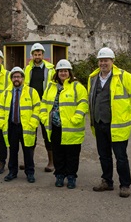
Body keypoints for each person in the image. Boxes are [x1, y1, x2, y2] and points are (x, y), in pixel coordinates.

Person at [87, 47, 131, 197]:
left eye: (106, 60)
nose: (103, 63)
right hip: (99, 123)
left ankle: (125, 185)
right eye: (101, 60)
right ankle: (107, 181)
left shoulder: (125, 77)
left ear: (112, 61)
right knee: (103, 155)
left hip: (117, 125)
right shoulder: (93, 78)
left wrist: (124, 114)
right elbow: (91, 99)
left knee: (121, 157)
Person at [40, 59, 88, 189]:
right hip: (55, 126)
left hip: (72, 127)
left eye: (65, 71)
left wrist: (77, 117)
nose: (63, 73)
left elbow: (83, 103)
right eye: (61, 71)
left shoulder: (77, 86)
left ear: (69, 72)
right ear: (57, 72)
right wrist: (44, 118)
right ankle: (59, 175)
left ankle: (71, 177)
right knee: (58, 153)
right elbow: (43, 103)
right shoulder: (51, 86)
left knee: (72, 154)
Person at [0, 67, 41, 183]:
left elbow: (38, 108)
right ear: (11, 78)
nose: (16, 79)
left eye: (18, 77)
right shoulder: (6, 93)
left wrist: (33, 123)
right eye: (14, 77)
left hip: (26, 126)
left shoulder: (32, 92)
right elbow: (0, 109)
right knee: (13, 150)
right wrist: (1, 123)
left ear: (23, 78)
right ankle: (12, 172)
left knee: (28, 151)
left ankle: (30, 173)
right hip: (11, 126)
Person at [24, 43, 55, 172]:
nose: (37, 56)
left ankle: (51, 162)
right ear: (32, 56)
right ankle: (29, 162)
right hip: (31, 106)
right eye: (35, 54)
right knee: (30, 134)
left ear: (43, 55)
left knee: (47, 134)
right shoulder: (27, 69)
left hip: (45, 106)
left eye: (39, 54)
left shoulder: (50, 69)